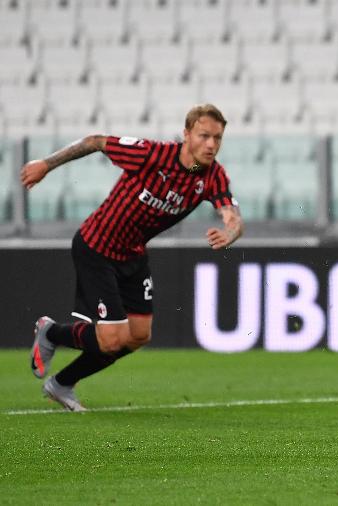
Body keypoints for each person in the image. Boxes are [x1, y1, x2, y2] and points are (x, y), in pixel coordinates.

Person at [22, 104, 243, 412]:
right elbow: (95, 141)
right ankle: (51, 331)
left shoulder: (213, 176)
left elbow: (233, 218)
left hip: (133, 255)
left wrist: (229, 233)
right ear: (187, 134)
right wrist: (46, 163)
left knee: (138, 335)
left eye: (217, 138)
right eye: (204, 136)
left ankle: (61, 383)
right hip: (97, 247)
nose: (211, 145)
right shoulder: (150, 155)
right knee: (112, 339)